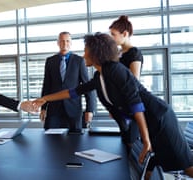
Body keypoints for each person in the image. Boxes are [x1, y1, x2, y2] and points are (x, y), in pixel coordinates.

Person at [33, 33, 193, 178]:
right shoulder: (99, 76)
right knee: (147, 166)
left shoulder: (116, 70)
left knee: (187, 167)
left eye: (86, 50)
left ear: (96, 52)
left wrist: (145, 139)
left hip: (160, 119)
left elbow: (136, 104)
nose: (83, 55)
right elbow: (73, 92)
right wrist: (45, 99)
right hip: (146, 123)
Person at [40, 31, 94, 132]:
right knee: (51, 140)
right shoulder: (50, 61)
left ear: (71, 43)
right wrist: (43, 108)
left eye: (67, 41)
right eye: (62, 41)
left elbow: (87, 86)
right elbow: (46, 86)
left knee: (76, 141)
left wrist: (89, 109)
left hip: (73, 109)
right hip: (54, 110)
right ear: (58, 43)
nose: (65, 44)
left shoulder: (79, 61)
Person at [109, 15, 144, 146]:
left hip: (132, 103)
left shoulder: (134, 53)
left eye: (113, 34)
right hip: (121, 104)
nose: (111, 38)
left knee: (131, 142)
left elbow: (133, 81)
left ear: (125, 34)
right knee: (124, 141)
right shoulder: (117, 54)